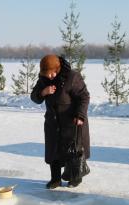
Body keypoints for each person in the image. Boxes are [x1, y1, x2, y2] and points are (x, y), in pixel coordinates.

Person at [31, 54, 90, 189]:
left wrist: (80, 116)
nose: (50, 76)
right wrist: (43, 92)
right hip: (53, 122)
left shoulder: (72, 77)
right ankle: (55, 179)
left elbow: (84, 97)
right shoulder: (43, 80)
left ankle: (75, 178)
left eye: (52, 73)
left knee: (72, 151)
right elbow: (34, 97)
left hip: (72, 122)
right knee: (54, 152)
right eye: (47, 74)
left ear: (58, 68)